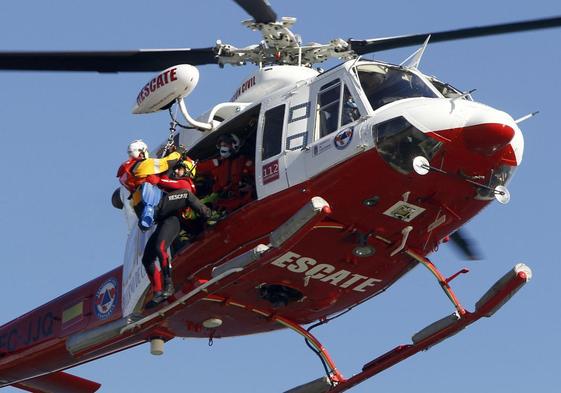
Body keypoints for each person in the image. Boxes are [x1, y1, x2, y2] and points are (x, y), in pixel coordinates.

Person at [141, 159, 200, 308]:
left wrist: (151, 176)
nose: (176, 172)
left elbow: (163, 182)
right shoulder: (172, 187)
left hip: (174, 220)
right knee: (147, 258)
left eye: (179, 169)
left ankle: (168, 285)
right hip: (164, 221)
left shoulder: (185, 183)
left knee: (160, 248)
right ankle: (158, 291)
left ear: (186, 172)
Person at [197, 133, 255, 213]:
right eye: (221, 146)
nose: (222, 148)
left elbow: (255, 176)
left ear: (234, 145)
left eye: (225, 145)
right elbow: (198, 169)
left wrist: (250, 187)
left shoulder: (244, 161)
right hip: (223, 205)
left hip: (243, 201)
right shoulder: (217, 164)